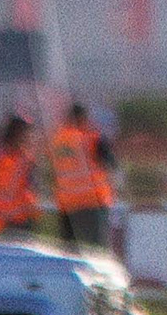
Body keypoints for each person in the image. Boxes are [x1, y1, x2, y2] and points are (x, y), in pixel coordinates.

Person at [49, 99, 116, 249]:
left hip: (67, 204)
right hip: (91, 202)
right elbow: (110, 162)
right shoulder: (91, 138)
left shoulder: (57, 140)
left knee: (69, 252)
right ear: (82, 118)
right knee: (96, 251)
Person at [0, 113, 43, 240]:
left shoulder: (18, 158)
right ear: (18, 134)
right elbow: (9, 189)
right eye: (27, 133)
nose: (31, 137)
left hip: (19, 218)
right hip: (12, 221)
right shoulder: (12, 160)